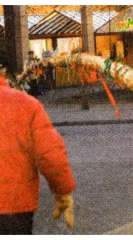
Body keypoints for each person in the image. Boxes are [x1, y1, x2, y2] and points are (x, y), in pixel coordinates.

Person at [0, 68, 76, 234]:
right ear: (3, 72)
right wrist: (62, 192)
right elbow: (51, 155)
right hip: (14, 207)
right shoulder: (26, 104)